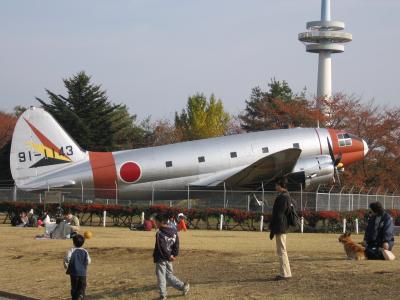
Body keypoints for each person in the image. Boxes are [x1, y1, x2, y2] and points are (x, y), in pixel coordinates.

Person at [153, 213, 189, 300]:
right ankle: (183, 287)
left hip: (161, 258)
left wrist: (169, 256)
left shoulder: (159, 233)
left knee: (161, 276)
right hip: (170, 257)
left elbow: (161, 247)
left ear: (161, 222)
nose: (155, 223)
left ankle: (163, 295)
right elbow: (176, 244)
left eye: (156, 221)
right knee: (168, 275)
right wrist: (174, 255)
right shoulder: (174, 231)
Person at [269, 177, 292, 280]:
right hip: (281, 225)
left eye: (276, 185)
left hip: (280, 226)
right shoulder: (285, 196)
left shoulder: (283, 197)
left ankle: (285, 274)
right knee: (281, 250)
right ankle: (285, 272)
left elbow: (279, 214)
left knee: (282, 250)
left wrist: (272, 227)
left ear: (280, 185)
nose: (275, 186)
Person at [64, 234, 91, 300]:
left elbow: (67, 259)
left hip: (74, 273)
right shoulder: (85, 251)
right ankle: (81, 297)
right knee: (82, 288)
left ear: (73, 242)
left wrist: (67, 266)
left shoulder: (71, 250)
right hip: (83, 274)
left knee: (74, 288)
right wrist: (84, 266)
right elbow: (89, 261)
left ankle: (75, 298)